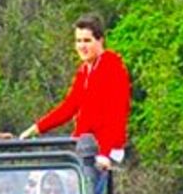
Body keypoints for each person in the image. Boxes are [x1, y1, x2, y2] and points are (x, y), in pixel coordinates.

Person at [20, 15, 131, 180]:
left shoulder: (111, 67)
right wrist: (36, 128)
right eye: (78, 41)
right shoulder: (84, 71)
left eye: (87, 40)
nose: (81, 46)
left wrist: (106, 154)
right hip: (84, 149)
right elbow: (69, 107)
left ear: (100, 40)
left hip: (101, 153)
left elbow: (116, 114)